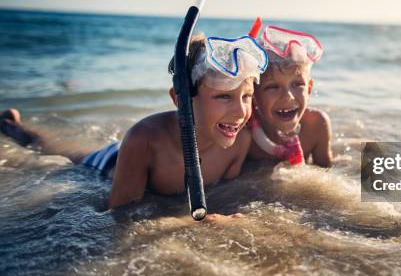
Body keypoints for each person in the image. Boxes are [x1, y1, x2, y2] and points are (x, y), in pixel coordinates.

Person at [0, 33, 269, 212]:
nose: (240, 111)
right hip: (109, 163)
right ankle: (13, 127)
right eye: (223, 96)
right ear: (181, 99)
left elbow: (222, 193)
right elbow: (119, 214)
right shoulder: (145, 139)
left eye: (246, 96)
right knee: (53, 151)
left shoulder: (239, 141)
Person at [248, 25, 332, 167]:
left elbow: (327, 171)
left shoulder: (316, 125)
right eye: (273, 87)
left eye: (298, 84)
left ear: (309, 88)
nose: (288, 97)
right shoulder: (245, 136)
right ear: (253, 94)